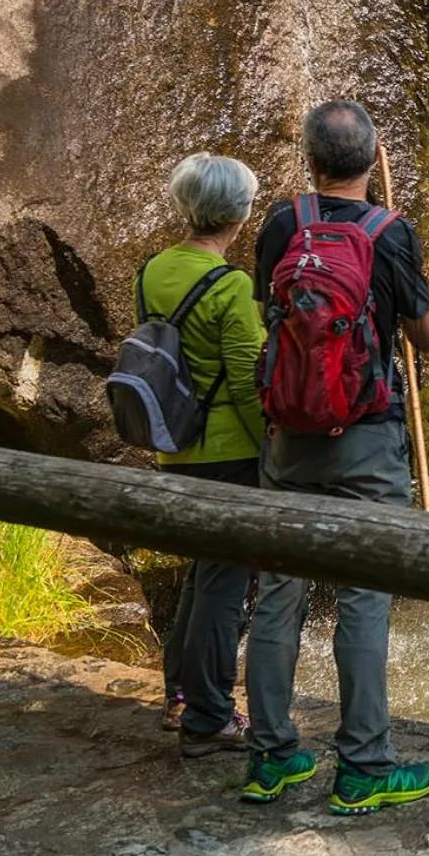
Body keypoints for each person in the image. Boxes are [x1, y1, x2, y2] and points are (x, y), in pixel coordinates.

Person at [241, 101, 429, 814]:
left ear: (310, 158)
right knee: (363, 597)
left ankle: (270, 757)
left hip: (288, 438)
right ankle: (363, 766)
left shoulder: (281, 222)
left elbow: (273, 306)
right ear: (372, 155)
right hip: (368, 441)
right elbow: (427, 336)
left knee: (279, 594)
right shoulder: (390, 232)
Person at [143, 153, 267, 756]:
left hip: (175, 445)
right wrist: (272, 446)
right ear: (240, 214)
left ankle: (180, 697)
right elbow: (247, 380)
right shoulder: (230, 284)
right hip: (227, 453)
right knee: (223, 585)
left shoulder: (155, 271)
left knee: (200, 576)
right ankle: (211, 716)